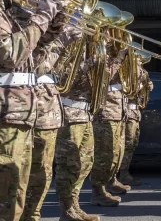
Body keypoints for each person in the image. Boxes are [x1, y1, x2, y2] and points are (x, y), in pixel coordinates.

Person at [11, 0, 82, 220]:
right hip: (19, 108)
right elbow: (30, 60)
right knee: (17, 179)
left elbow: (41, 55)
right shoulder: (14, 16)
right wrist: (44, 17)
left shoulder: (30, 18)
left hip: (37, 107)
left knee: (41, 173)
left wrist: (57, 23)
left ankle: (35, 215)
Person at [0, 0, 64, 220]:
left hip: (21, 114)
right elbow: (9, 54)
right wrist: (43, 15)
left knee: (18, 189)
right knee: (7, 193)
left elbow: (32, 59)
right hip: (6, 116)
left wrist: (55, 23)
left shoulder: (10, 14)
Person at [54, 44, 100, 220]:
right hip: (70, 114)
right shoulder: (66, 48)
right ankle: (66, 210)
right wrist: (88, 64)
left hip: (86, 115)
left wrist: (114, 59)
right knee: (68, 165)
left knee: (86, 163)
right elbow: (62, 79)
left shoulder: (91, 51)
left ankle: (74, 205)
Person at [90, 31, 130, 207]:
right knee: (104, 155)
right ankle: (98, 191)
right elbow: (103, 76)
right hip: (105, 110)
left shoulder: (113, 52)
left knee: (117, 152)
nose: (111, 35)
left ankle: (111, 181)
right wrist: (120, 57)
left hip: (118, 110)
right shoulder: (98, 50)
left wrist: (131, 60)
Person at [119, 61, 153, 186]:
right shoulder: (125, 71)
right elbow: (127, 88)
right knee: (126, 144)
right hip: (127, 112)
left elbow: (149, 88)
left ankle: (124, 173)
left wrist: (147, 84)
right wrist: (140, 82)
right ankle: (122, 174)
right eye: (136, 58)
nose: (139, 60)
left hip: (135, 112)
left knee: (132, 144)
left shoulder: (143, 72)